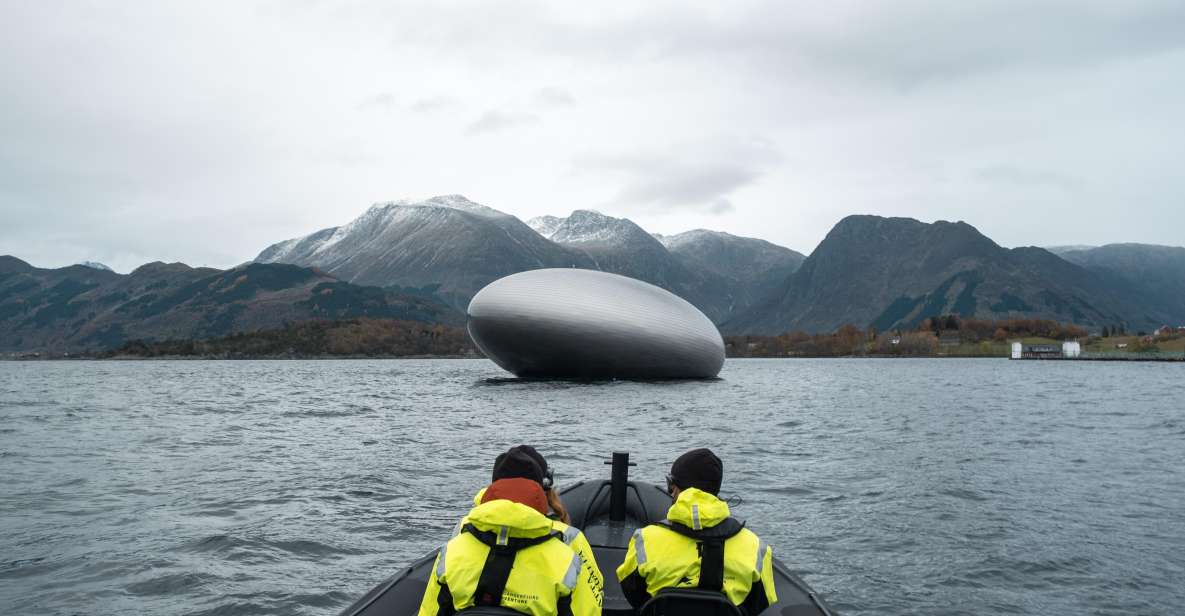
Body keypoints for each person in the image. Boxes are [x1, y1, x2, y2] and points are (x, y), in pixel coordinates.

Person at [418, 449, 600, 616]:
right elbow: (588, 609)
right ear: (540, 488)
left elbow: (430, 611)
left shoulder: (454, 546)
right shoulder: (566, 549)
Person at [616, 448, 777, 615]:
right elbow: (758, 604)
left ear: (677, 489)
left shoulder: (645, 539)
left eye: (671, 486)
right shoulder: (755, 547)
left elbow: (633, 593)